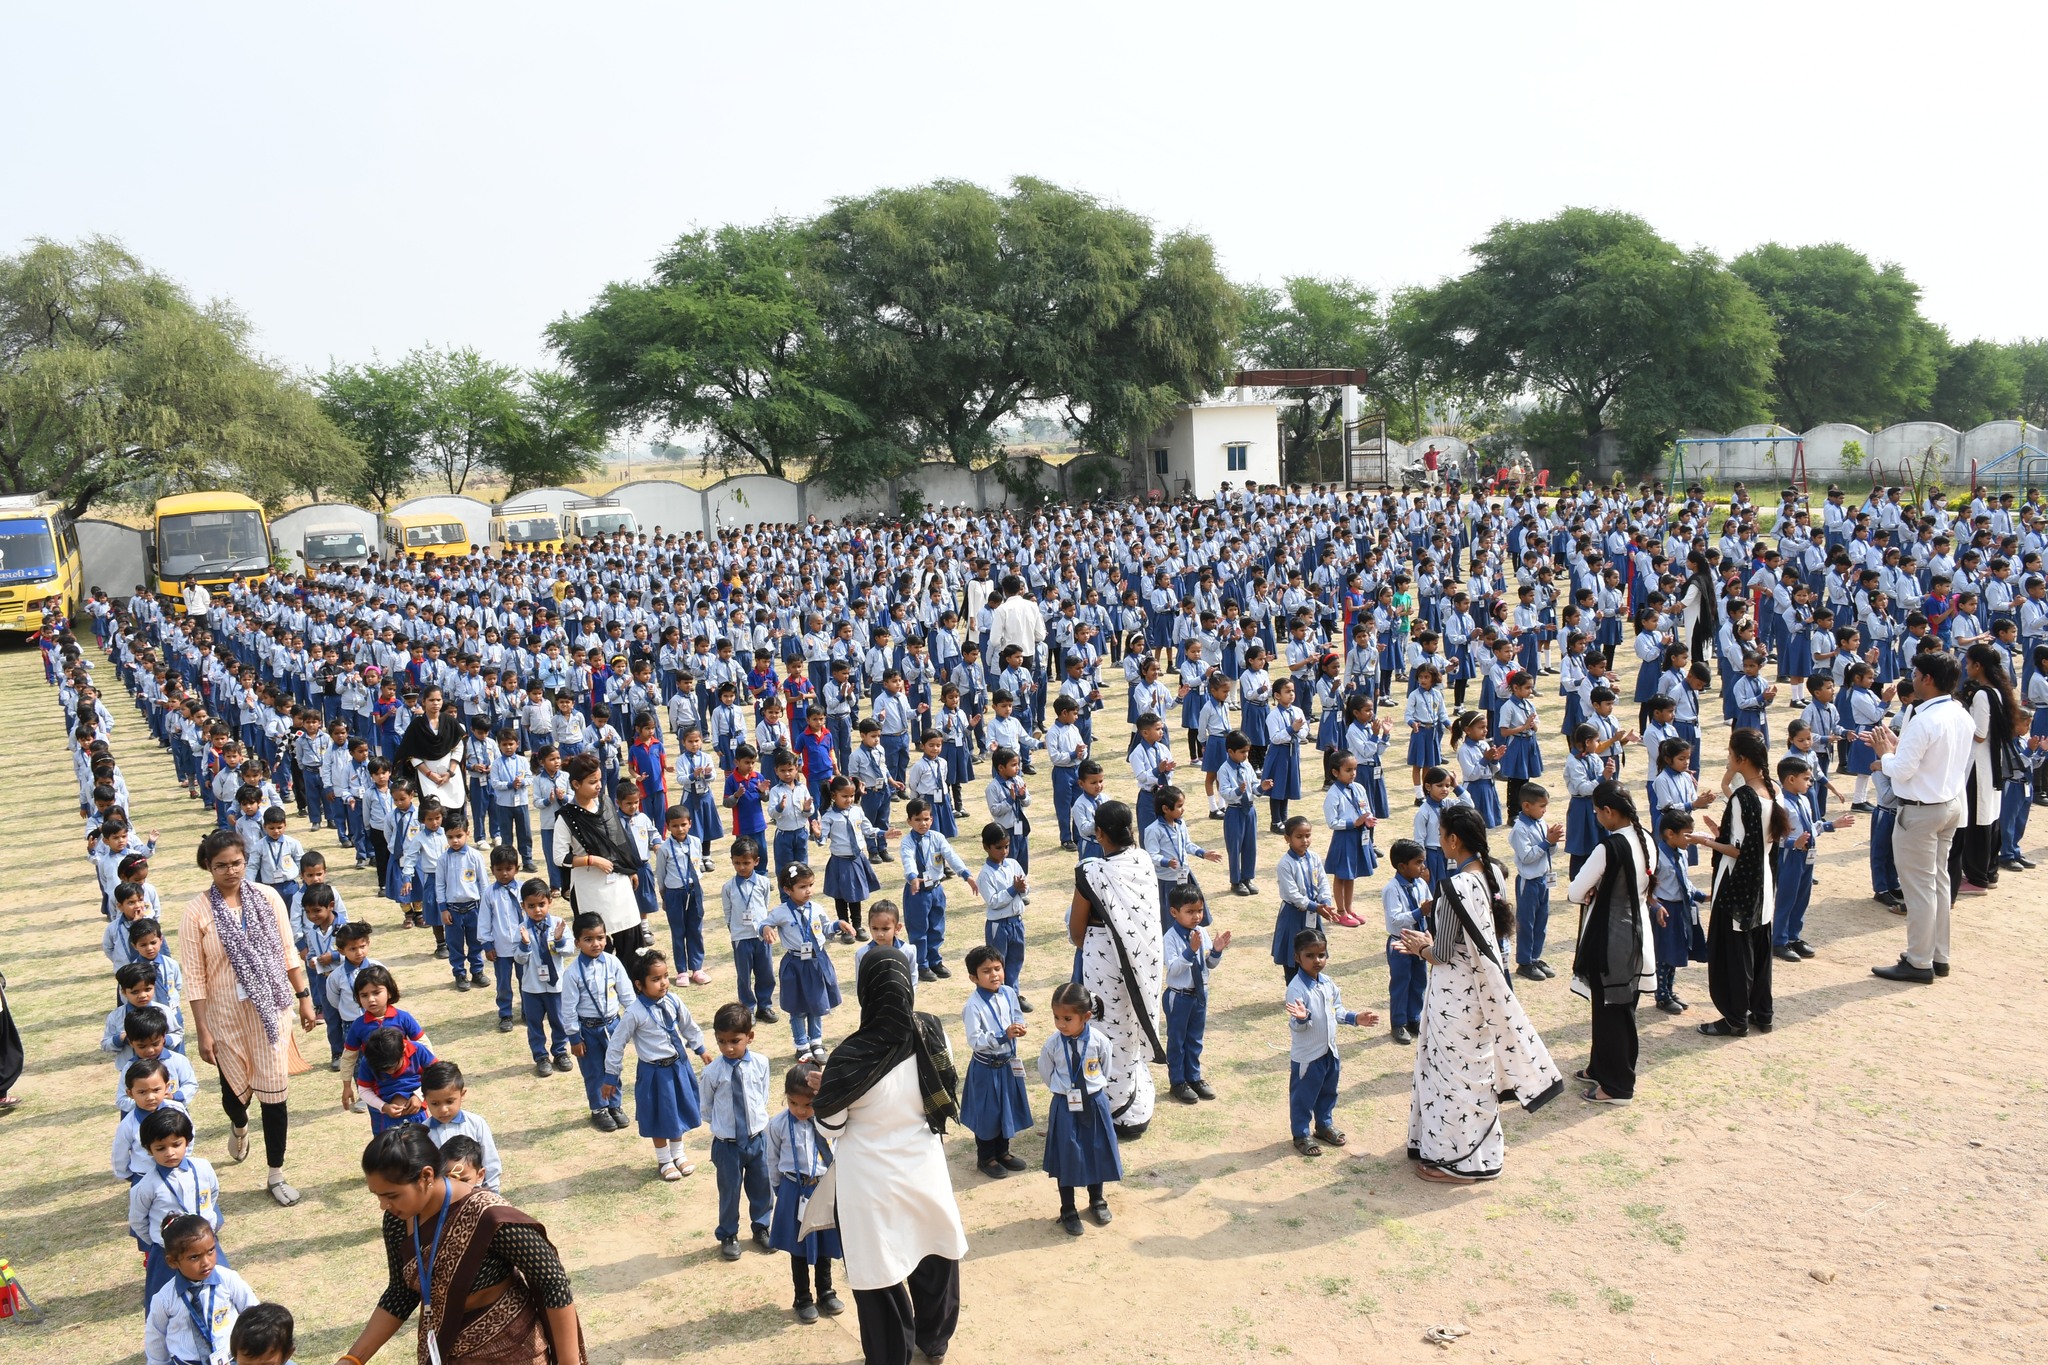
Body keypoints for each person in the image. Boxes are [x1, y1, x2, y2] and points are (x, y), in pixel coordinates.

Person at [811, 949, 966, 1365]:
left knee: (880, 1274)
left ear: (866, 990)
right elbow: (944, 1085)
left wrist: (827, 1089)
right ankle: (935, 1341)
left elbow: (830, 1126)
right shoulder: (933, 1032)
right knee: (934, 1253)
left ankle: (890, 1356)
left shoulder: (849, 1057)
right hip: (924, 1168)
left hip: (869, 1183)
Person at [1396, 805, 1563, 1182]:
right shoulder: (1493, 875)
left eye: (1442, 836)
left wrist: (1421, 946)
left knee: (1453, 1075)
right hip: (1484, 990)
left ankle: (1460, 1162)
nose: (1440, 842)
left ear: (1454, 840)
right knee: (1476, 1072)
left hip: (1454, 994)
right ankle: (1478, 1149)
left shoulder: (1454, 887)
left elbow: (1442, 953)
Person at [338, 1125, 583, 1365]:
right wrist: (353, 1359)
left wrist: (568, 1362)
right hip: (442, 1349)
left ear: (426, 1176)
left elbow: (552, 1281)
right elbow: (401, 1293)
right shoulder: (398, 1220)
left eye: (392, 1195)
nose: (384, 1205)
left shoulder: (488, 1216)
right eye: (377, 1195)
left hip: (511, 1350)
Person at [177, 829, 319, 1207]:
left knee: (274, 1094)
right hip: (224, 1016)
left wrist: (304, 998)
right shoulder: (196, 912)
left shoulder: (268, 897)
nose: (231, 871)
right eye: (221, 865)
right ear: (208, 867)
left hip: (270, 1011)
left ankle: (276, 1173)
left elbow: (288, 951)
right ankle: (239, 1126)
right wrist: (202, 1030)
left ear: (246, 860)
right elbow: (195, 976)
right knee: (233, 1095)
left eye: (236, 863)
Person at [1867, 648, 1976, 983]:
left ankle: (1918, 961)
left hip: (1921, 811)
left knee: (1919, 889)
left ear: (1927, 679)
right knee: (1939, 883)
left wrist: (1885, 755)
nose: (1912, 679)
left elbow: (1901, 771)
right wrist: (1898, 747)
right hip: (1949, 804)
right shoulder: (1960, 712)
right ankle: (1938, 955)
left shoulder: (1924, 718)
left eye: (1915, 675)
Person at [1065, 798, 1166, 1138]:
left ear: (1099, 833)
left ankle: (1112, 1106)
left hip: (1103, 965)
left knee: (1107, 1027)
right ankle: (1132, 1101)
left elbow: (1076, 931)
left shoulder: (1092, 872)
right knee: (1128, 1027)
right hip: (1143, 966)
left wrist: (1100, 944)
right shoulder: (1143, 860)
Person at [1564, 781, 1658, 1104]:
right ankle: (1600, 1068)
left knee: (1615, 1013)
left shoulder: (1609, 847)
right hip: (1637, 931)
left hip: (1612, 938)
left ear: (1608, 811)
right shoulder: (1646, 837)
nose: (1597, 818)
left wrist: (1596, 889)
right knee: (1610, 1009)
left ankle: (1618, 1086)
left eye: (1597, 812)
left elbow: (1575, 891)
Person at [1691, 728, 1787, 1036]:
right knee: (1759, 950)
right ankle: (1762, 1013)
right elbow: (1761, 837)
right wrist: (1720, 834)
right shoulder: (1773, 789)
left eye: (1731, 754)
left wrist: (1707, 841)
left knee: (1733, 953)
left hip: (1738, 885)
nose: (1728, 758)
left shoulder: (1744, 797)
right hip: (1765, 881)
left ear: (1742, 758)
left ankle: (1735, 1019)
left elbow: (1738, 849)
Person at [1038, 979, 1123, 1233]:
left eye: (1067, 1019)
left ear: (1085, 1016)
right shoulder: (1053, 1044)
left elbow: (1105, 1068)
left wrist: (1090, 1089)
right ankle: (1068, 1208)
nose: (1060, 1024)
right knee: (1066, 1155)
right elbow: (1046, 1071)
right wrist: (1063, 1089)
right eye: (1056, 1017)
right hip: (1065, 1105)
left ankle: (1097, 1200)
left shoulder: (1099, 1041)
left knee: (1096, 1150)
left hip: (1094, 1103)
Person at [552, 752, 649, 966]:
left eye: (599, 780)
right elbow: (560, 857)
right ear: (576, 784)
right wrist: (592, 860)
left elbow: (619, 841)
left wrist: (629, 870)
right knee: (596, 942)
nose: (598, 786)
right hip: (589, 887)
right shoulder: (567, 817)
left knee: (630, 939)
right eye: (592, 782)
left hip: (619, 882)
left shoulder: (605, 803)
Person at [765, 1062, 844, 1324]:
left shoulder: (829, 1122)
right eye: (793, 1103)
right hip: (793, 1189)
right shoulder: (777, 1125)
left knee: (823, 1243)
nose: (800, 1110)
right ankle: (802, 1297)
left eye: (808, 1105)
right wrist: (780, 1189)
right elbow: (772, 1160)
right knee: (798, 1248)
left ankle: (826, 1291)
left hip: (823, 1188)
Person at [142, 1212, 257, 1365]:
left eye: (211, 1251)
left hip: (231, 1359)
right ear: (172, 1262)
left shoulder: (228, 1279)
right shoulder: (164, 1299)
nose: (206, 1262)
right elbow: (155, 1337)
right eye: (194, 1257)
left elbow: (254, 1312)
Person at [392, 684, 467, 810]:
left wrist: (450, 772)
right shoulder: (416, 725)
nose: (435, 703)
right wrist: (430, 774)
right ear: (424, 701)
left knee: (454, 814)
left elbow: (458, 747)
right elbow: (411, 754)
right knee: (431, 812)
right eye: (431, 700)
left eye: (438, 700)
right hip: (427, 778)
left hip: (451, 776)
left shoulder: (450, 722)